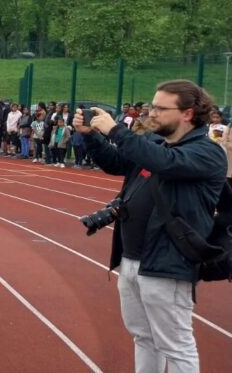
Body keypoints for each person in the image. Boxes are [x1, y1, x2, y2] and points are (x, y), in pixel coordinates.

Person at [75, 79, 225, 373]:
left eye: (160, 108)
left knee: (176, 345)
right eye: (152, 106)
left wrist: (116, 131)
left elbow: (165, 162)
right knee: (143, 337)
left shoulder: (206, 153)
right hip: (132, 257)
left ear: (187, 113)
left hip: (168, 262)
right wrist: (91, 136)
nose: (151, 113)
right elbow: (116, 162)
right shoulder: (155, 144)